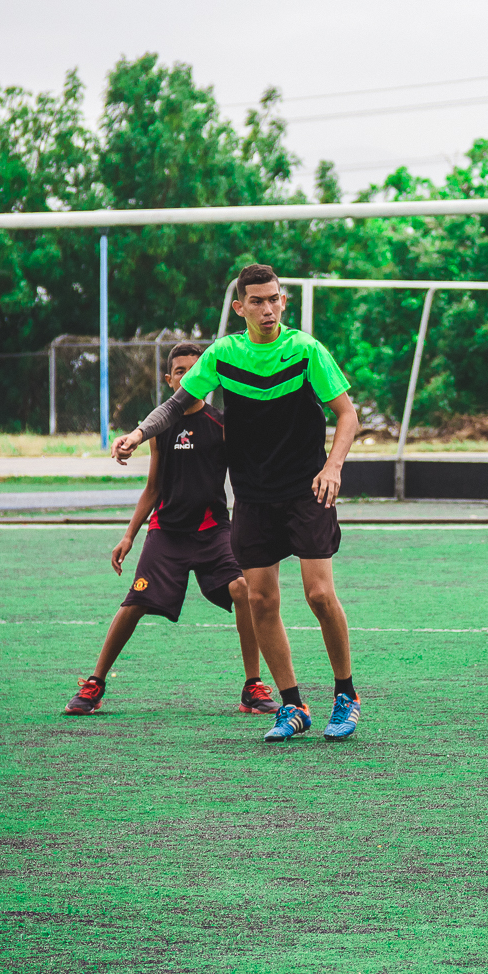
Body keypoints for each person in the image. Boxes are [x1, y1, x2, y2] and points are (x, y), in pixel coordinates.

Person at [112, 264, 362, 743]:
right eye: (257, 301)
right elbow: (175, 406)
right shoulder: (224, 354)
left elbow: (347, 414)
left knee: (318, 594)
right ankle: (292, 705)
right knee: (261, 599)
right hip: (252, 495)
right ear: (239, 307)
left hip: (307, 489)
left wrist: (333, 467)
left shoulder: (306, 350)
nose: (268, 309)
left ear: (283, 301)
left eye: (274, 299)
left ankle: (346, 695)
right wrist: (138, 435)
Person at [65, 343, 281, 716]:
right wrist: (129, 535)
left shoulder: (222, 424)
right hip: (166, 533)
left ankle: (253, 686)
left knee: (243, 589)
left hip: (213, 531)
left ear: (206, 378)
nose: (187, 377)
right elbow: (153, 488)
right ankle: (95, 684)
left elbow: (249, 472)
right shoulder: (160, 427)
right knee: (134, 602)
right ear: (169, 380)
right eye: (179, 371)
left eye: (194, 370)